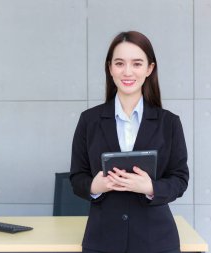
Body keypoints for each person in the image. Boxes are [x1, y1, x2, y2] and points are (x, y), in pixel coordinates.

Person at [69, 31, 189, 253]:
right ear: (110, 68)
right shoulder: (89, 120)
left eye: (136, 63)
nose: (127, 72)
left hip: (156, 241)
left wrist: (150, 187)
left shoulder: (169, 123)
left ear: (149, 69)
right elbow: (77, 177)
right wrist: (95, 186)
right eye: (119, 63)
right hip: (102, 240)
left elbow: (180, 179)